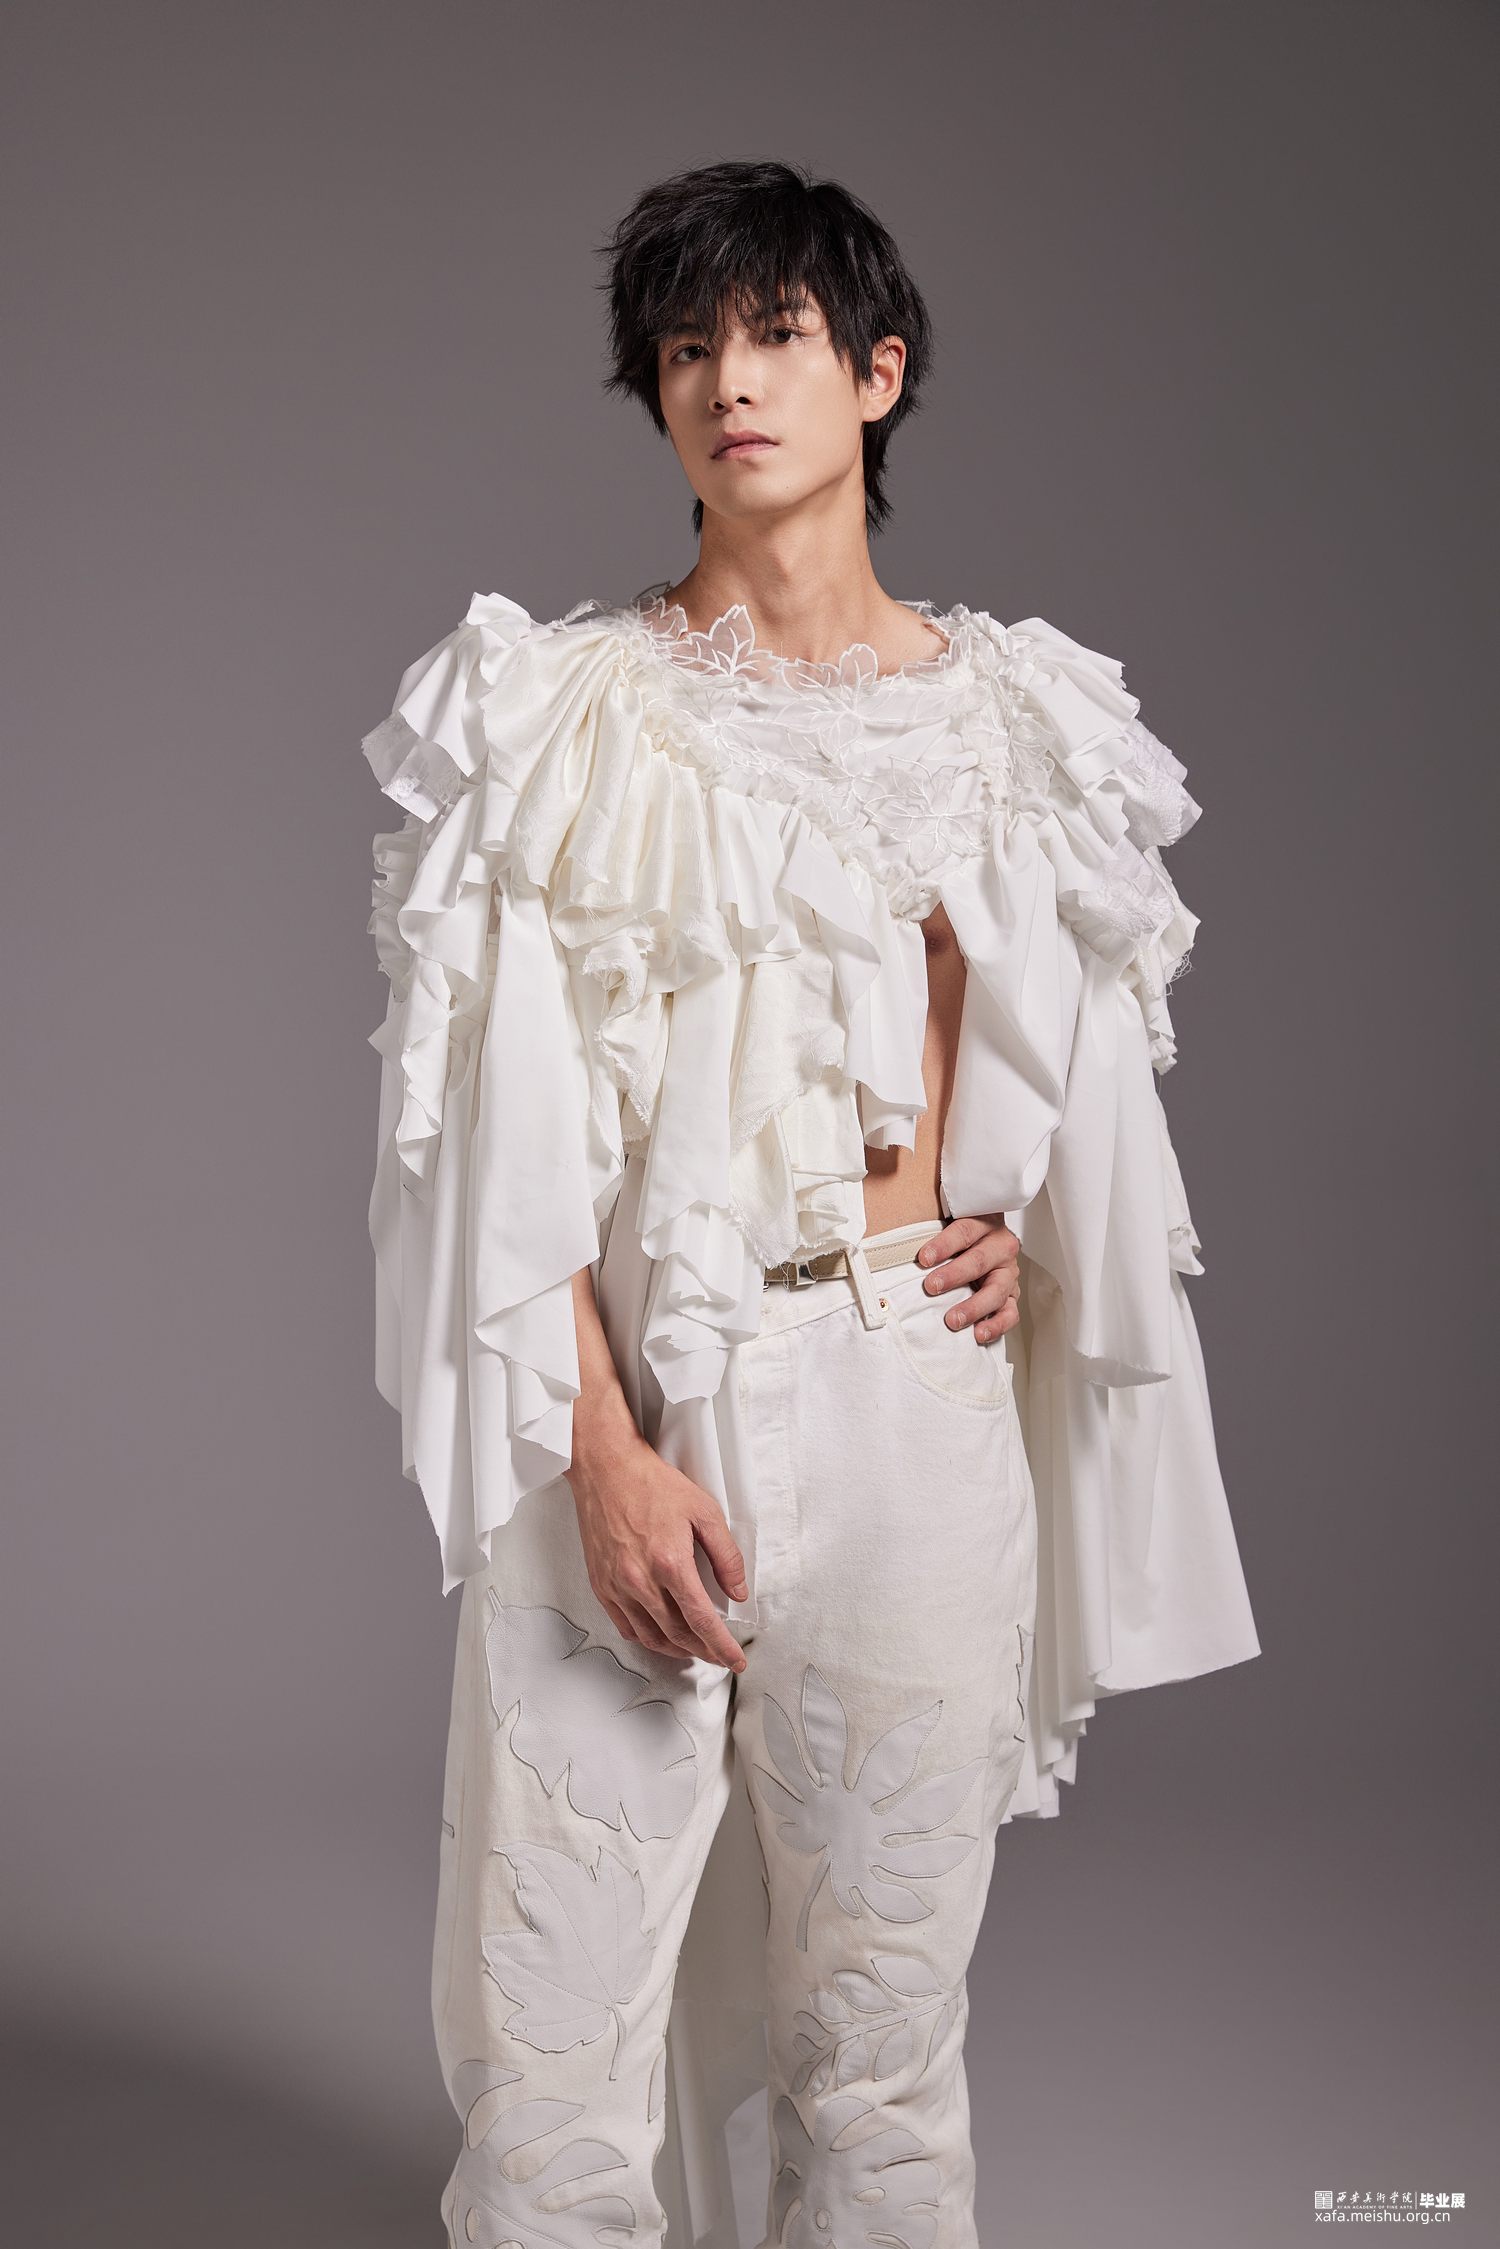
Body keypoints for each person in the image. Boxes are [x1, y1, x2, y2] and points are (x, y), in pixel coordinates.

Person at [360, 159, 1260, 2249]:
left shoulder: (1017, 715)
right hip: (636, 1403)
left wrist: (1018, 1228)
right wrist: (599, 1448)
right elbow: (486, 1135)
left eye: (772, 337)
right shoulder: (564, 708)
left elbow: (1071, 1069)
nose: (726, 384)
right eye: (686, 349)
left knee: (883, 2059)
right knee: (552, 2074)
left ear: (879, 372)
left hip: (913, 1394)